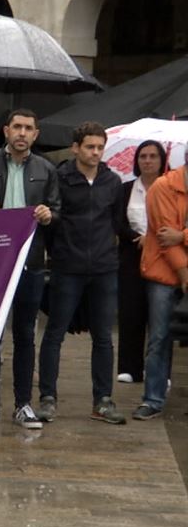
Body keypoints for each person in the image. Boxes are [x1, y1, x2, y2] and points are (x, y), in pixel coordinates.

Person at [0, 109, 60, 429]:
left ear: (36, 135)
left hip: (31, 262)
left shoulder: (47, 169)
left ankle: (23, 404)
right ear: (6, 130)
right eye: (17, 127)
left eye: (28, 128)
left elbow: (58, 211)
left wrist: (50, 215)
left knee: (25, 335)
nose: (22, 133)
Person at [35, 121, 126, 425]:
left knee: (103, 337)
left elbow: (114, 221)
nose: (96, 152)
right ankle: (48, 397)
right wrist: (58, 253)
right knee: (54, 333)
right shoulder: (59, 176)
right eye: (90, 146)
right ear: (76, 148)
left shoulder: (112, 182)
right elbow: (52, 217)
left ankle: (103, 400)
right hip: (67, 267)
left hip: (103, 268)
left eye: (100, 147)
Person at [131, 152, 188, 421]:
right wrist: (185, 273)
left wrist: (184, 234)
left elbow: (177, 235)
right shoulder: (163, 186)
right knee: (159, 338)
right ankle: (153, 399)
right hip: (163, 271)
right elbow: (166, 236)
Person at [115, 140, 166, 385]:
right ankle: (128, 367)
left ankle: (159, 372)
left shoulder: (170, 188)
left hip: (164, 257)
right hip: (132, 255)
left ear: (161, 160)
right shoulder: (125, 189)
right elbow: (118, 222)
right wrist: (137, 238)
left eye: (153, 156)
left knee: (160, 316)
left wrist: (154, 238)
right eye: (143, 156)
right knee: (130, 312)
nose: (147, 160)